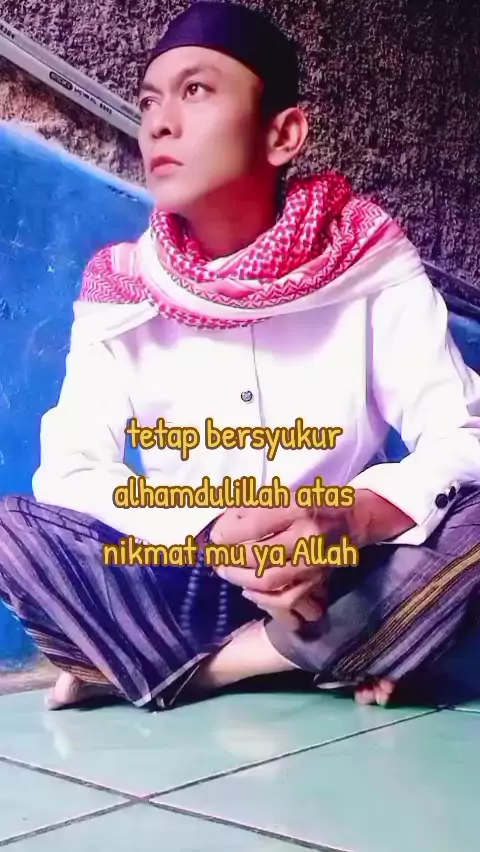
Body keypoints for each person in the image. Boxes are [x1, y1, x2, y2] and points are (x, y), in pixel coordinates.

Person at [1, 0, 480, 712]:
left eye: (195, 90)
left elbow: (463, 437)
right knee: (13, 531)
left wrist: (351, 518)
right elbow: (70, 473)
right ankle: (300, 652)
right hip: (185, 573)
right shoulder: (121, 286)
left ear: (282, 134)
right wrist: (209, 533)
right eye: (149, 101)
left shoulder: (368, 263)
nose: (158, 123)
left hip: (339, 572)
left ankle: (173, 666)